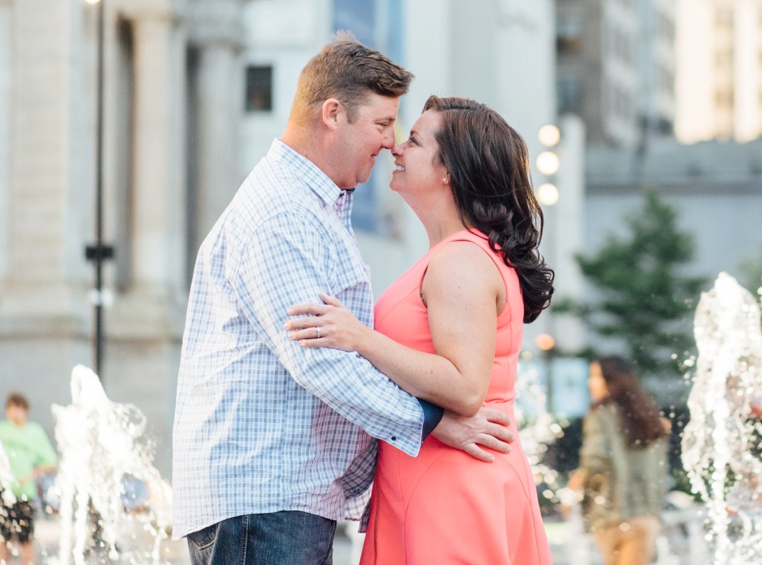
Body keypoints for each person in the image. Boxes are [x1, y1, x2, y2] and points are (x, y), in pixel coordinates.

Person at [172, 38, 515, 565]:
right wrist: (433, 423)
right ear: (333, 114)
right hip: (264, 498)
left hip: (283, 500)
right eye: (382, 124)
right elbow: (323, 362)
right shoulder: (282, 214)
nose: (390, 143)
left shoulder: (316, 206)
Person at [286, 95, 555, 564]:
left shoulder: (462, 261)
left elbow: (465, 386)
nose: (396, 148)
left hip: (452, 485)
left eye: (413, 140)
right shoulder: (456, 255)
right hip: (437, 476)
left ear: (450, 170)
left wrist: (359, 338)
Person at [566, 357, 669, 565]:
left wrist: (575, 486)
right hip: (647, 516)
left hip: (612, 514)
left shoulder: (601, 414)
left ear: (611, 380)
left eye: (595, 376)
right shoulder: (649, 417)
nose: (590, 382)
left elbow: (596, 460)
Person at [0, 393, 57, 565]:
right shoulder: (0, 429)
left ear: (25, 411)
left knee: (26, 539)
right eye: (11, 409)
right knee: (4, 538)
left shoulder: (34, 432)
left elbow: (52, 462)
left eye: (18, 409)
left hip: (25, 493)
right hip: (4, 489)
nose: (14, 413)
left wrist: (32, 473)